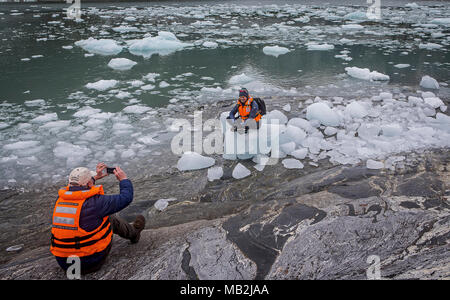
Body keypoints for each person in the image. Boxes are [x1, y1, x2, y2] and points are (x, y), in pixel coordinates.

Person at [50, 163, 145, 275]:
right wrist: (124, 180)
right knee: (109, 218)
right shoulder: (97, 203)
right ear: (89, 183)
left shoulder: (59, 199)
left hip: (64, 263)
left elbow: (78, 190)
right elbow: (126, 198)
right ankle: (134, 233)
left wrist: (94, 178)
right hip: (90, 262)